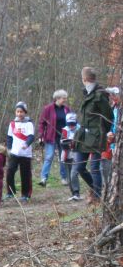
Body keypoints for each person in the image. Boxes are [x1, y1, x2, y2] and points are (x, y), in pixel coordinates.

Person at [73, 67, 114, 200]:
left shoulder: (100, 95)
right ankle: (95, 189)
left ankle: (97, 197)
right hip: (84, 136)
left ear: (84, 79)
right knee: (79, 167)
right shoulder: (87, 93)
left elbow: (109, 117)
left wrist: (101, 131)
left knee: (95, 167)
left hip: (96, 136)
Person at [38, 89, 72, 186]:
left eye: (65, 98)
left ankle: (64, 178)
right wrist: (41, 135)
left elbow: (71, 122)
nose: (65, 100)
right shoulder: (48, 109)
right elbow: (42, 123)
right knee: (49, 157)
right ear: (57, 98)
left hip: (64, 138)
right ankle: (43, 178)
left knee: (63, 158)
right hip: (51, 137)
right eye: (63, 98)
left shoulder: (67, 109)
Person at [5, 101, 35, 202]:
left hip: (25, 154)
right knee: (10, 171)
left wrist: (26, 144)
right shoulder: (12, 124)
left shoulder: (29, 123)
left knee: (25, 174)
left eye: (21, 112)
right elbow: (9, 137)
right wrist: (9, 148)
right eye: (17, 111)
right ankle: (10, 192)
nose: (19, 114)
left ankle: (25, 194)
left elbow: (31, 136)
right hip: (14, 153)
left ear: (25, 112)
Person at [63, 113, 83, 201]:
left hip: (77, 154)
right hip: (67, 155)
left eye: (73, 124)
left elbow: (83, 143)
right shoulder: (64, 130)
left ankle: (76, 192)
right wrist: (66, 144)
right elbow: (61, 143)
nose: (71, 126)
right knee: (69, 175)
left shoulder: (80, 129)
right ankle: (73, 193)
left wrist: (75, 144)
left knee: (73, 174)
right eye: (69, 124)